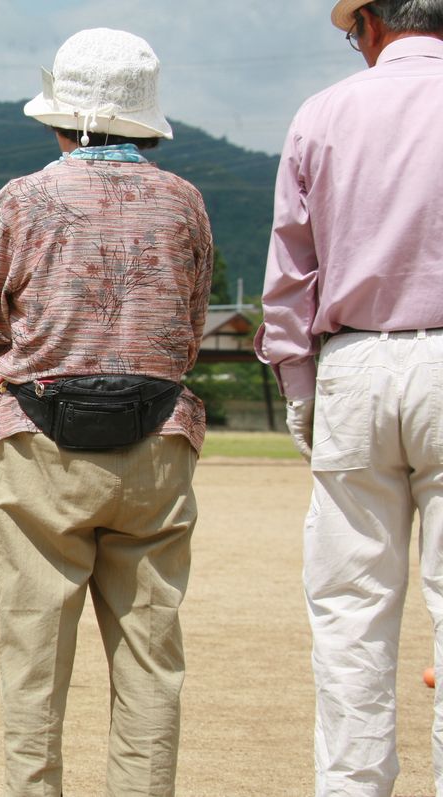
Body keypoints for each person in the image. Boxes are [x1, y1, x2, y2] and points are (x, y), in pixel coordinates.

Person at [0, 28, 214, 796]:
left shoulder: (25, 196)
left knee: (33, 656)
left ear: (58, 118)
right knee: (150, 657)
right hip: (157, 445)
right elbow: (192, 324)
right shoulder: (185, 201)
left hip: (41, 443)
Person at [255, 1, 443, 792]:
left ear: (368, 24)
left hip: (356, 361)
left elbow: (290, 272)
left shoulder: (322, 113)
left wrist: (300, 385)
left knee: (349, 608)